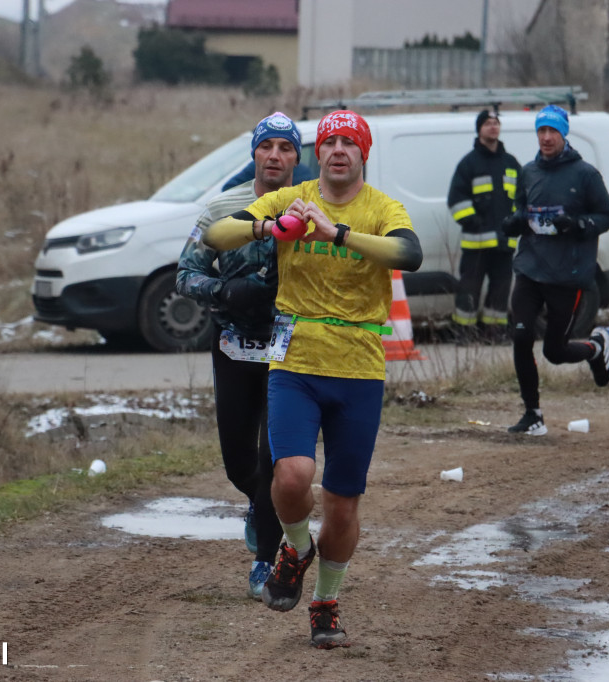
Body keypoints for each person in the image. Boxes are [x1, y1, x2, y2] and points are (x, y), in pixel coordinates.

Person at [203, 110, 422, 649]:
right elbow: (216, 233)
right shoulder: (291, 198)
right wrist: (270, 227)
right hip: (295, 363)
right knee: (293, 476)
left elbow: (408, 253)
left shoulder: (381, 207)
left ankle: (325, 603)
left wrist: (339, 234)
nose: (339, 150)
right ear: (317, 154)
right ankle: (296, 549)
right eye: (329, 142)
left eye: (350, 142)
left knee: (344, 503)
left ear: (363, 153)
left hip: (358, 369)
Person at [175, 111, 305, 600]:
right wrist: (228, 292)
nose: (275, 156)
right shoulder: (221, 209)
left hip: (289, 351)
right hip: (233, 345)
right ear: (254, 153)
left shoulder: (309, 207)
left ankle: (263, 562)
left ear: (297, 157)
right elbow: (184, 275)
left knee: (276, 460)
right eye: (267, 146)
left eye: (285, 148)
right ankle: (258, 503)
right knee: (238, 464)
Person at [501, 104, 609, 436]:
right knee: (521, 336)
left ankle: (596, 348)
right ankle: (532, 415)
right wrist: (514, 222)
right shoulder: (528, 172)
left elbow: (607, 216)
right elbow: (519, 212)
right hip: (529, 268)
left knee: (554, 351)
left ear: (564, 135)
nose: (546, 137)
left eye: (553, 131)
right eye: (541, 131)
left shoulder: (585, 174)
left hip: (568, 275)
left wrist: (577, 223)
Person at [446, 109, 521, 342]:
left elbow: (522, 198)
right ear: (479, 129)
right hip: (476, 242)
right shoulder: (469, 164)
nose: (493, 127)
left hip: (504, 242)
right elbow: (456, 200)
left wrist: (516, 222)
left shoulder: (511, 163)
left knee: (501, 290)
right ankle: (464, 333)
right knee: (469, 289)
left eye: (496, 122)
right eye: (488, 123)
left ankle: (495, 333)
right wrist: (473, 221)